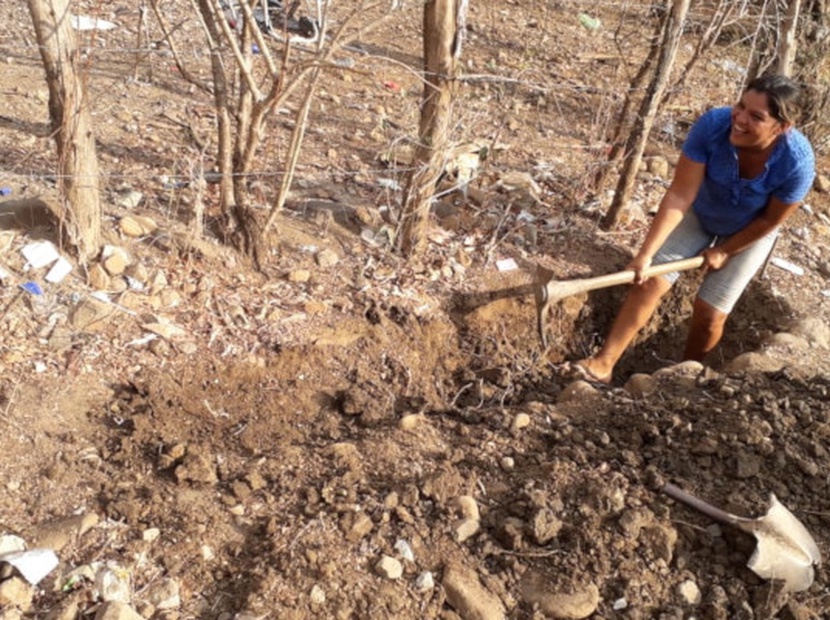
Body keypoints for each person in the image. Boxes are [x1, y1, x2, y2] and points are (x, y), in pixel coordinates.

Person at [571, 74, 815, 384]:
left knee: (709, 313)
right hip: (701, 212)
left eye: (756, 116)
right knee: (651, 281)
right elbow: (680, 194)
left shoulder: (797, 163)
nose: (739, 119)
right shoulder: (713, 126)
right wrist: (645, 254)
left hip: (752, 229)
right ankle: (603, 364)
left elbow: (771, 221)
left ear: (782, 127)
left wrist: (726, 250)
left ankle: (683, 377)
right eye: (740, 106)